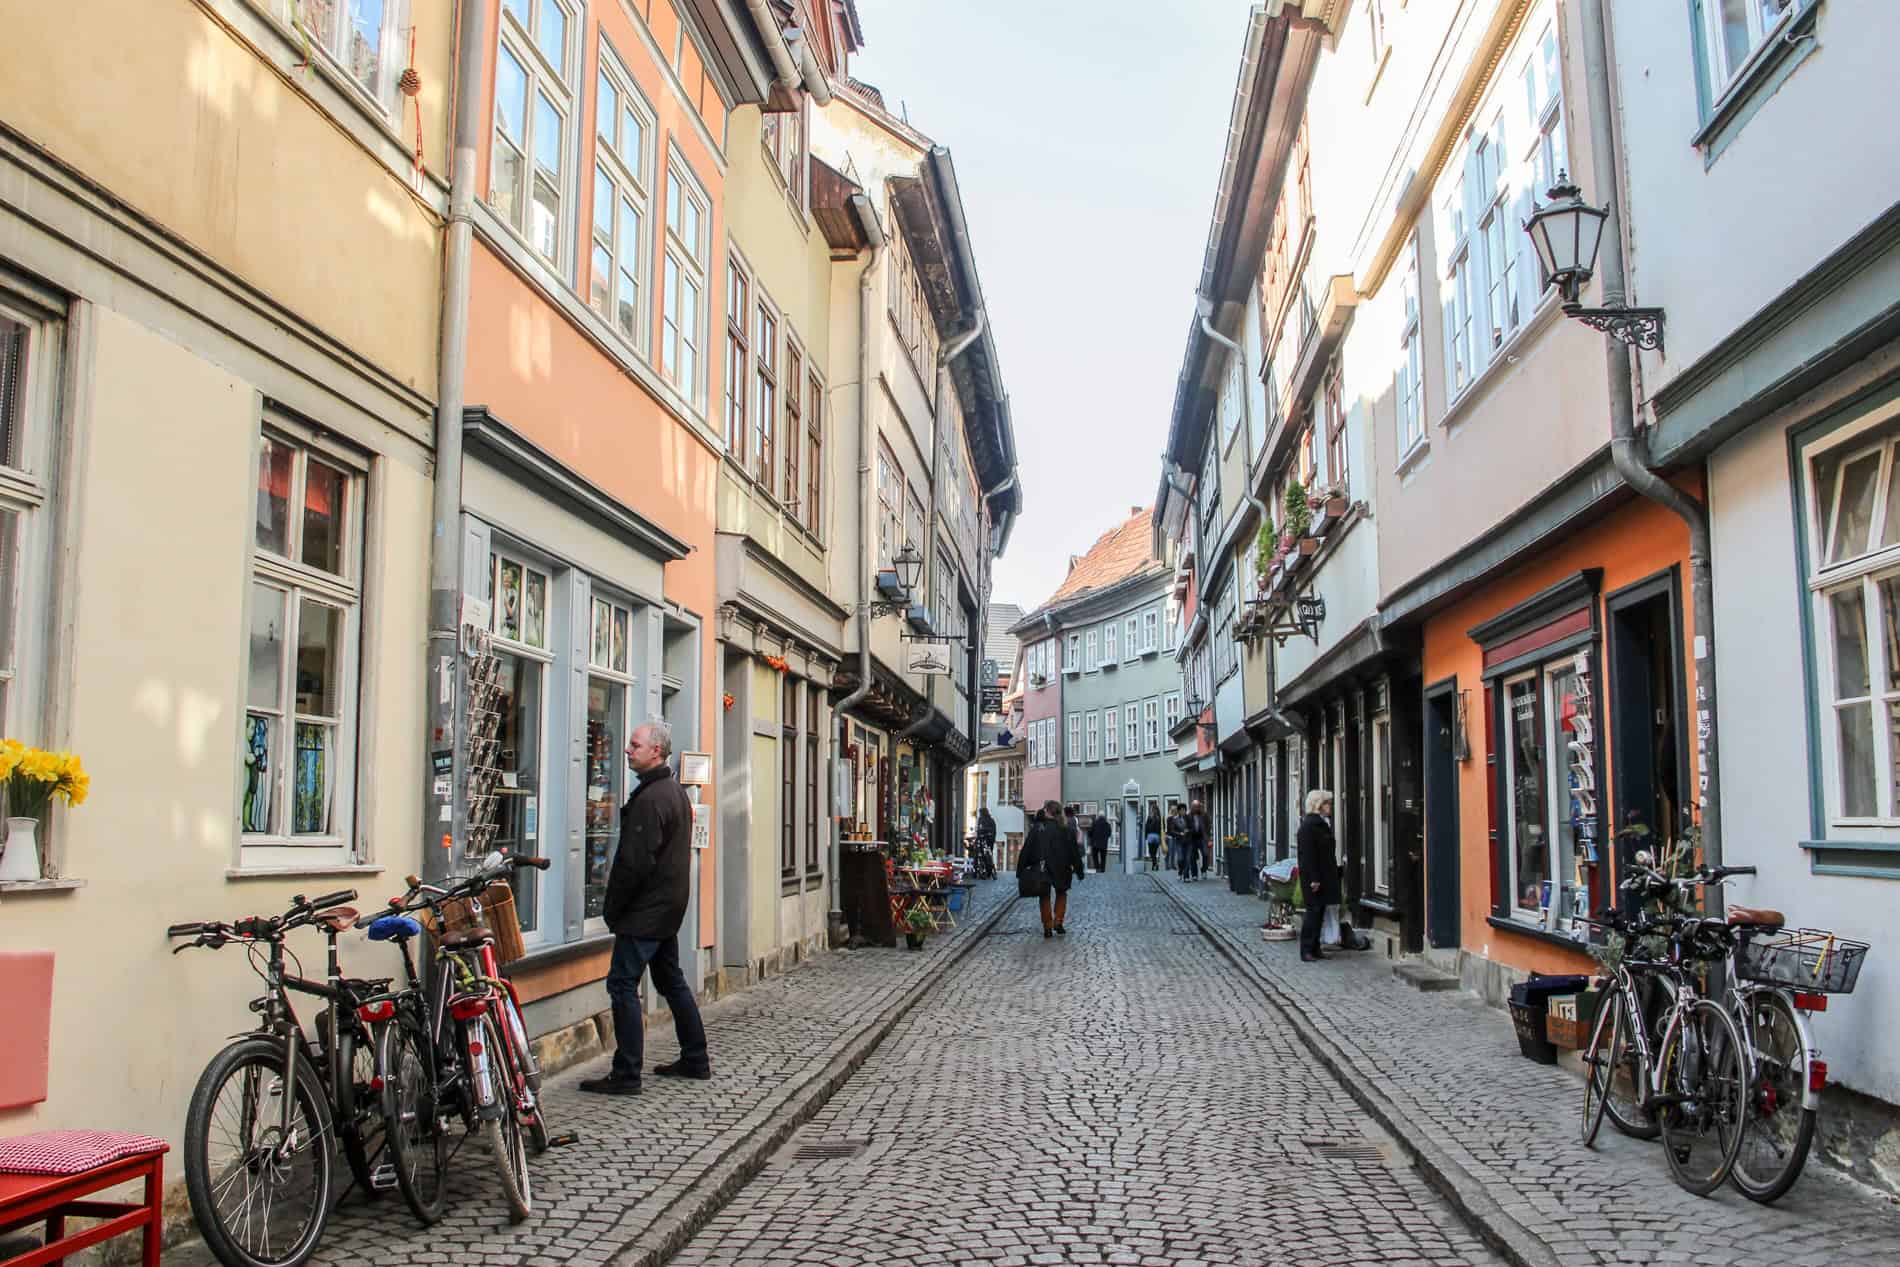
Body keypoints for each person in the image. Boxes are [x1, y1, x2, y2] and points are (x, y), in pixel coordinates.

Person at [582, 720, 710, 1094]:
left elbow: (634, 863)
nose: (628, 749)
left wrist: (613, 910)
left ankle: (626, 1073)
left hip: (646, 911)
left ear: (656, 750)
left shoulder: (653, 798)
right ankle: (695, 1057)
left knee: (622, 984)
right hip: (667, 908)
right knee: (671, 980)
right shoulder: (672, 792)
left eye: (635, 745)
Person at [1019, 798, 1085, 937]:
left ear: (1047, 811)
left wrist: (1021, 868)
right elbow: (1074, 852)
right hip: (1062, 867)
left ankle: (1048, 926)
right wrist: (1079, 870)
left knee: (1044, 895)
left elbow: (1028, 848)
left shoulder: (1038, 828)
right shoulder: (1066, 829)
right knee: (1061, 892)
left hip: (1043, 866)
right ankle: (1059, 921)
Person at [1296, 789, 1341, 963]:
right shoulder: (1308, 827)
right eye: (1327, 803)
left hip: (1324, 874)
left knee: (1319, 912)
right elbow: (1308, 855)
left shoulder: (1322, 824)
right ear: (1318, 806)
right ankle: (1306, 950)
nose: (1330, 806)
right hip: (1314, 877)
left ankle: (1315, 948)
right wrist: (1314, 878)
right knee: (1313, 912)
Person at [1180, 802, 1203, 881]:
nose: (1183, 811)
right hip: (1181, 842)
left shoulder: (1188, 818)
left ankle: (1188, 876)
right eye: (1181, 810)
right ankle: (1183, 873)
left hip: (1190, 840)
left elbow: (1193, 828)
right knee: (1182, 859)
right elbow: (1172, 830)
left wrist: (1188, 831)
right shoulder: (1175, 819)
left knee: (1189, 858)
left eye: (1184, 810)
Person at [1192, 799, 1214, 877]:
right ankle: (1194, 874)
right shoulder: (1189, 815)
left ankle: (1204, 869)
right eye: (1194, 807)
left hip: (1203, 838)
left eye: (1197, 807)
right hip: (1193, 838)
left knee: (1205, 854)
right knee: (1193, 856)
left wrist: (1210, 838)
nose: (1196, 808)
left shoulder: (1204, 815)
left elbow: (1209, 826)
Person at [974, 806, 997, 875]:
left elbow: (993, 830)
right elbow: (978, 828)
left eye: (980, 812)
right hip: (984, 838)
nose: (980, 814)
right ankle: (978, 869)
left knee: (985, 853)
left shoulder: (989, 820)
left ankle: (987, 868)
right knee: (980, 851)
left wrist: (989, 834)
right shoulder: (983, 819)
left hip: (988, 839)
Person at [1165, 804, 1187, 875]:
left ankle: (1172, 865)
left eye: (1175, 810)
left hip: (1175, 837)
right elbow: (1169, 828)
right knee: (1169, 851)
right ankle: (1168, 865)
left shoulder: (1177, 818)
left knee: (1173, 851)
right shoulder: (1169, 818)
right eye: (1173, 810)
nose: (1175, 811)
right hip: (1170, 837)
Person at [1144, 807, 1162, 871]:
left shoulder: (1149, 817)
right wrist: (1160, 837)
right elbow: (1161, 828)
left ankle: (1155, 864)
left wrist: (1145, 836)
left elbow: (1146, 827)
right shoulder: (1159, 818)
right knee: (1154, 852)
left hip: (1151, 836)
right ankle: (1154, 865)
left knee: (1151, 852)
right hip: (1157, 836)